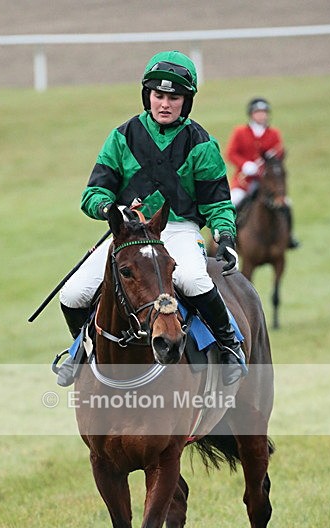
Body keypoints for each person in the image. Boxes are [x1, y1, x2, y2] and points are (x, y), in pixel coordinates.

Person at [55, 50, 247, 387]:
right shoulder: (122, 136)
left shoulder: (202, 144)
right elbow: (93, 194)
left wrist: (226, 236)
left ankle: (230, 345)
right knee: (72, 293)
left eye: (174, 97)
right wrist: (108, 210)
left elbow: (217, 202)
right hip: (129, 233)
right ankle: (83, 350)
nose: (165, 104)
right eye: (159, 95)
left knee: (193, 280)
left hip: (178, 229)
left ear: (186, 101)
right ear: (148, 96)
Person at [224, 97, 299, 248]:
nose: (262, 115)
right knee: (233, 203)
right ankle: (226, 239)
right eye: (258, 112)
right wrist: (245, 164)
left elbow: (277, 157)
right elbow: (231, 153)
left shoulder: (274, 134)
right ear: (251, 114)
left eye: (264, 112)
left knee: (286, 205)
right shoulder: (240, 132)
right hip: (244, 181)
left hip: (267, 183)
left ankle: (289, 237)